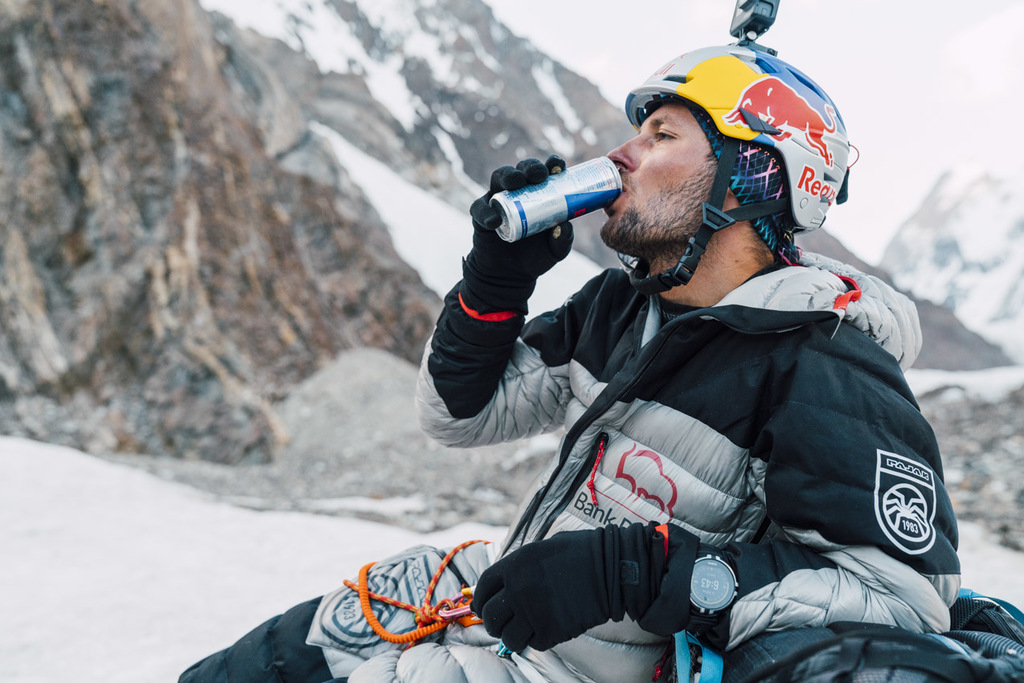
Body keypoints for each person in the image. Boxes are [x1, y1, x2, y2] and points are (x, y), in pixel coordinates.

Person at [180, 44, 960, 683]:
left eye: (660, 135)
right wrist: (495, 283)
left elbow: (900, 600)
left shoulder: (825, 362)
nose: (621, 153)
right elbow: (459, 415)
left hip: (575, 669)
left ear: (753, 175)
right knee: (247, 665)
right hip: (492, 601)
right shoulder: (621, 307)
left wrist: (643, 571)